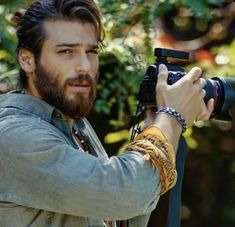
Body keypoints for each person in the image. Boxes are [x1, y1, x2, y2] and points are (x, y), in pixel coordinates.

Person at [0, 0, 214, 226]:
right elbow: (125, 193)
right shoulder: (13, 135)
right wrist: (172, 116)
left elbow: (123, 213)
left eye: (91, 51)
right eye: (66, 51)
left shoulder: (74, 126)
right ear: (27, 60)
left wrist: (157, 123)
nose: (84, 66)